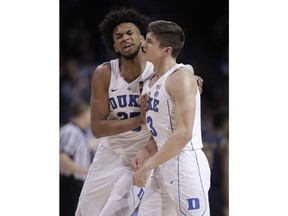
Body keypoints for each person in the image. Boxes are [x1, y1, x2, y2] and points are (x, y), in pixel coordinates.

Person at [75, 7, 204, 216]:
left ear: (142, 39)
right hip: (110, 152)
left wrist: (193, 78)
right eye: (119, 36)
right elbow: (97, 128)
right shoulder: (105, 73)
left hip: (142, 155)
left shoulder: (158, 70)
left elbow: (179, 71)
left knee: (114, 212)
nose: (125, 38)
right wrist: (138, 119)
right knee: (85, 211)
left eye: (129, 33)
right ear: (115, 46)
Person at [131, 20, 211, 215]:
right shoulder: (151, 82)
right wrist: (146, 151)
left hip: (184, 164)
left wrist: (148, 166)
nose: (143, 44)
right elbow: (165, 128)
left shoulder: (181, 77)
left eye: (149, 41)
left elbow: (184, 133)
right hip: (161, 161)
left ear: (166, 50)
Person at [60, 98, 92, 216]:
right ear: (84, 114)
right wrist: (86, 171)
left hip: (74, 183)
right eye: (89, 112)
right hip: (70, 183)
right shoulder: (72, 131)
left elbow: (87, 146)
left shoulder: (78, 132)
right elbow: (62, 159)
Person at [202, 110, 229, 216]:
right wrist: (227, 204)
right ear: (225, 123)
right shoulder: (223, 142)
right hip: (217, 189)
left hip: (202, 186)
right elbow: (225, 174)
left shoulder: (203, 138)